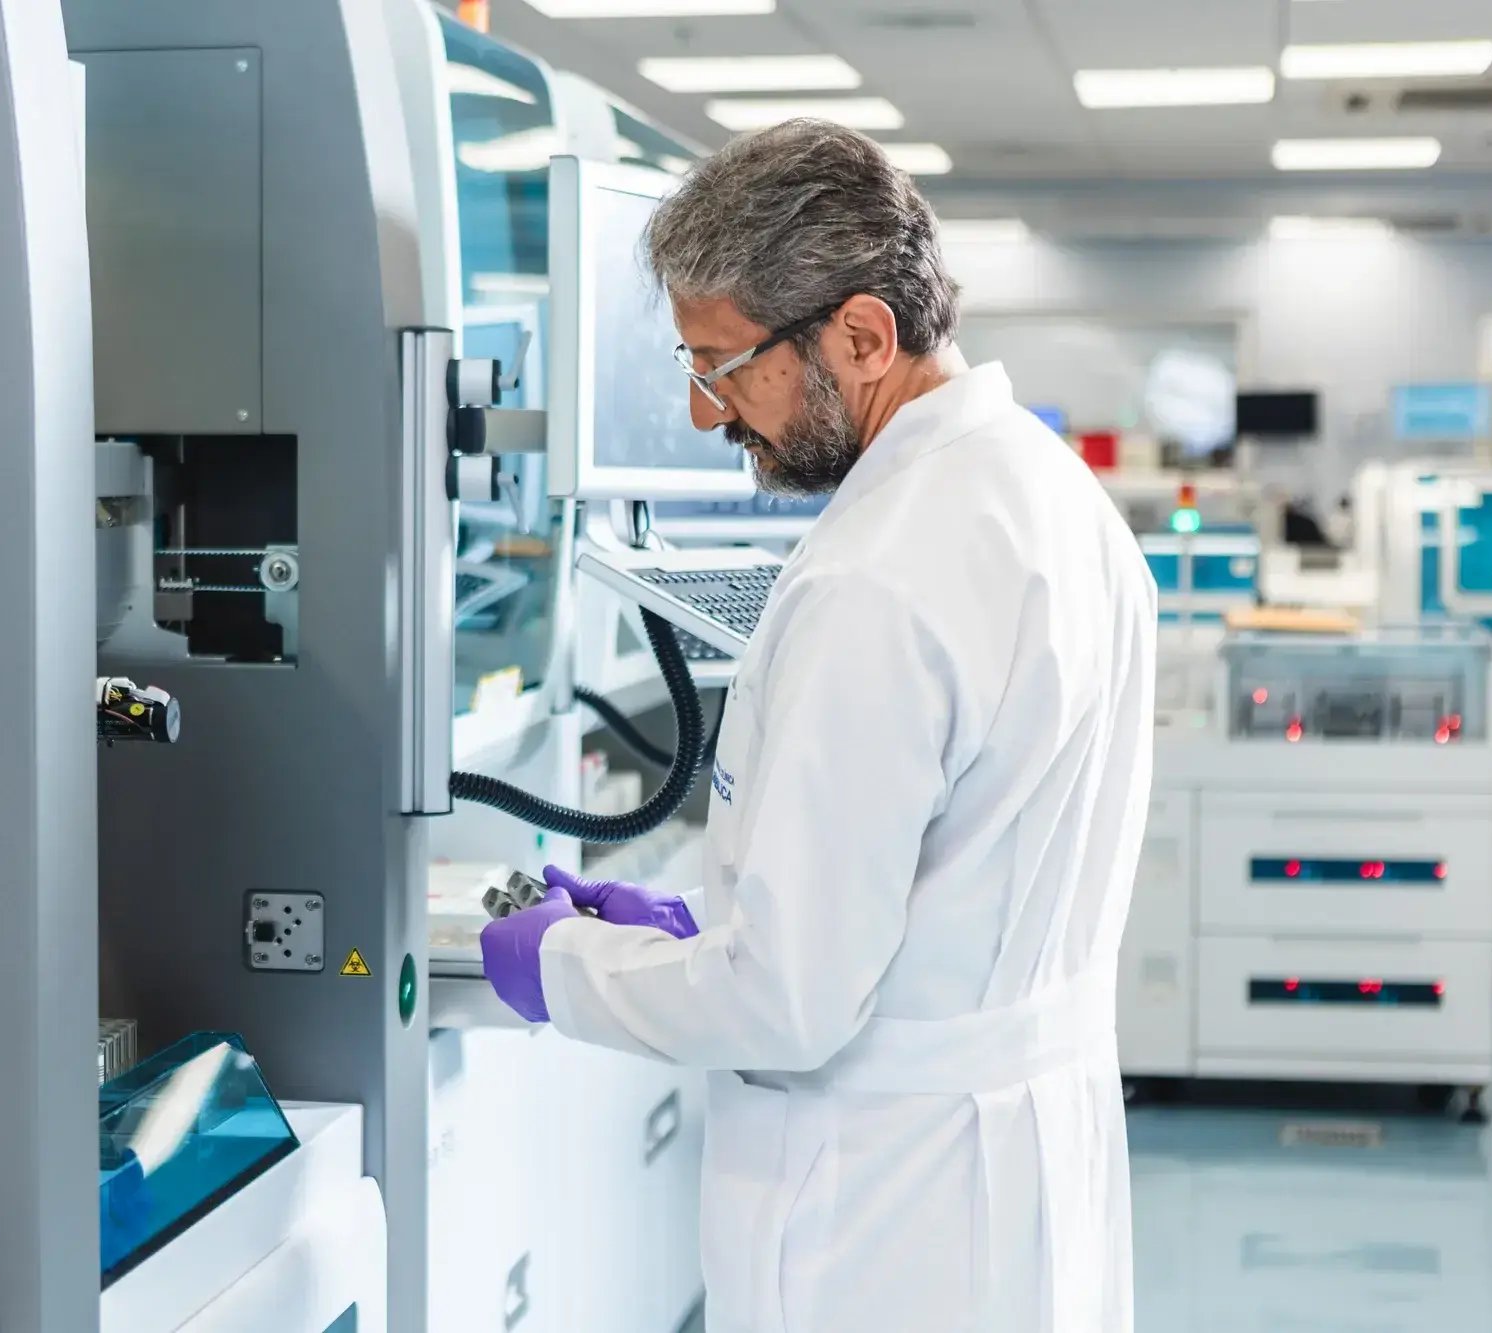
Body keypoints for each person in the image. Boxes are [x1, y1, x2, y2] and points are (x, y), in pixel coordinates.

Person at [481, 120, 1157, 1333]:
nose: (705, 417)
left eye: (723, 367)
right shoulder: (1055, 498)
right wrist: (705, 927)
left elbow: (787, 1007)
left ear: (859, 335)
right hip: (1023, 1170)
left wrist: (565, 970)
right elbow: (959, 880)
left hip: (883, 1216)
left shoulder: (873, 579)